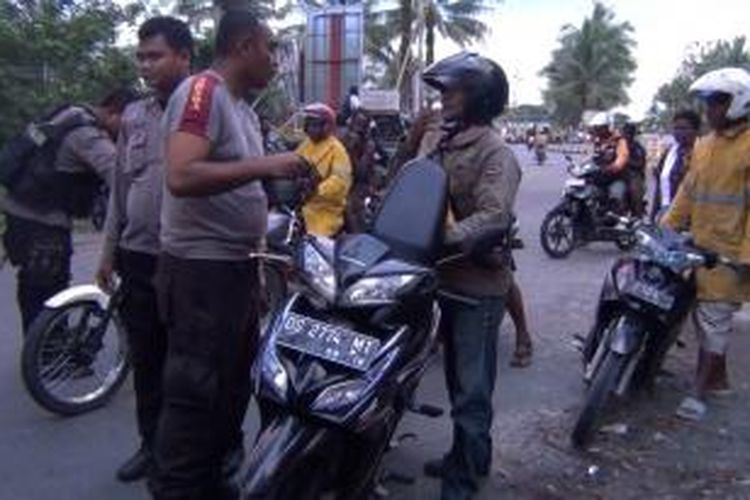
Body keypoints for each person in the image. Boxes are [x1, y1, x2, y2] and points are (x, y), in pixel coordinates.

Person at [148, 10, 310, 499]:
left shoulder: (240, 107)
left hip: (235, 269)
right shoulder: (203, 91)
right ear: (243, 46)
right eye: (269, 49)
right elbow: (182, 175)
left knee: (230, 394)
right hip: (201, 274)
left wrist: (286, 178)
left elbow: (237, 179)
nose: (275, 62)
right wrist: (269, 162)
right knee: (195, 401)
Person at [416, 52, 522, 500]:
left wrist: (443, 240)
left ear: (479, 97)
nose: (443, 101)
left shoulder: (496, 152)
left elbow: (492, 215)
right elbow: (413, 185)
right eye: (441, 92)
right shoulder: (439, 139)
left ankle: (464, 477)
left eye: (452, 91)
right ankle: (471, 456)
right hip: (439, 276)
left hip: (478, 285)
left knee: (471, 389)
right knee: (459, 378)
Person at [94, 16, 193, 483]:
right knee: (147, 359)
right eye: (141, 57)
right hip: (138, 257)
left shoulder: (204, 106)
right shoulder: (133, 115)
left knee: (188, 365)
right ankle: (149, 447)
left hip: (188, 261)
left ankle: (187, 456)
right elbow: (119, 188)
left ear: (183, 57)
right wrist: (108, 251)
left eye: (155, 56)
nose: (145, 66)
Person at [1, 88, 137, 332]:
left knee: (32, 286)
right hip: (44, 221)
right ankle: (48, 356)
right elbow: (122, 178)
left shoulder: (66, 113)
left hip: (17, 211)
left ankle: (39, 352)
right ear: (115, 112)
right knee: (48, 290)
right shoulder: (88, 135)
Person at [662, 67, 750, 422]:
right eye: (708, 103)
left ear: (738, 102)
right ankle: (719, 378)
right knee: (695, 314)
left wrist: (746, 255)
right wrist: (665, 228)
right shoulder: (704, 145)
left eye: (717, 102)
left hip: (728, 252)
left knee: (714, 319)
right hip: (696, 244)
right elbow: (688, 192)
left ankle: (699, 390)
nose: (709, 110)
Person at [296, 102, 352, 237]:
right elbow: (295, 163)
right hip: (302, 210)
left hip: (325, 216)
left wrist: (316, 190)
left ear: (327, 127)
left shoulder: (336, 149)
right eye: (308, 124)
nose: (309, 128)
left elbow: (340, 182)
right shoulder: (306, 145)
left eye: (314, 125)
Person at [650, 110, 701, 222]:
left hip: (694, 215)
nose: (678, 132)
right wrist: (653, 216)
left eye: (683, 128)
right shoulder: (668, 153)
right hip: (667, 212)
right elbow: (660, 186)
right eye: (676, 128)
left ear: (696, 130)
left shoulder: (704, 153)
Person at [342, 109, 378, 232]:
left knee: (352, 207)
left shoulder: (369, 145)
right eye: (356, 124)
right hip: (341, 183)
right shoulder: (342, 140)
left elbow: (361, 173)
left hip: (359, 186)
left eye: (361, 126)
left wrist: (354, 151)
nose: (357, 130)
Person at [588, 112, 630, 216]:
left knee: (616, 195)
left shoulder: (619, 140)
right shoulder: (597, 141)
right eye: (596, 128)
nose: (597, 130)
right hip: (598, 176)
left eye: (600, 128)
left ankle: (618, 223)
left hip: (615, 177)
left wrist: (614, 167)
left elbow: (623, 156)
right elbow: (590, 156)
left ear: (608, 127)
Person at [621, 122, 647, 218]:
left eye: (629, 133)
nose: (626, 135)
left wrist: (626, 161)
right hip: (617, 174)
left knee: (635, 192)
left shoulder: (637, 148)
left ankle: (637, 214)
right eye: (625, 133)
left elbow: (640, 164)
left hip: (632, 174)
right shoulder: (617, 145)